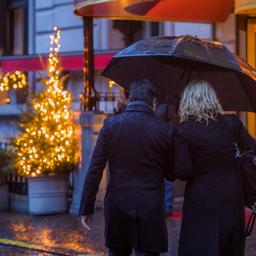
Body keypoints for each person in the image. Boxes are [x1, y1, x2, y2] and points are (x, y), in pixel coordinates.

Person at [80, 79, 174, 256]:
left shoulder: (111, 125)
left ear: (130, 99)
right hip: (150, 208)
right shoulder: (163, 130)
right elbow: (170, 172)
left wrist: (86, 206)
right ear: (153, 102)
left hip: (118, 206)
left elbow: (95, 168)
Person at [174, 80, 256, 256]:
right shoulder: (231, 123)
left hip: (200, 201)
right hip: (232, 198)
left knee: (200, 247)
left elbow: (183, 171)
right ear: (213, 99)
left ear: (187, 101)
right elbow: (252, 148)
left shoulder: (183, 130)